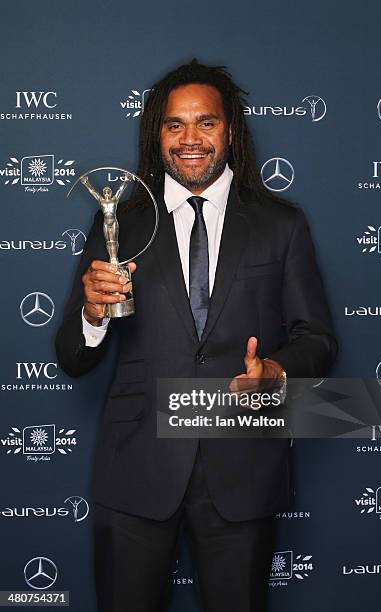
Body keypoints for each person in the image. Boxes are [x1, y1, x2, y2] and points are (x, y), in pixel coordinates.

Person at [55, 59, 337, 612]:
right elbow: (71, 357)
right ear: (156, 134)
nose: (190, 139)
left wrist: (276, 373)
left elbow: (319, 339)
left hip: (243, 470)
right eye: (174, 125)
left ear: (230, 130)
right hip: (137, 472)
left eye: (205, 123)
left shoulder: (282, 224)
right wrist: (92, 314)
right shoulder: (121, 223)